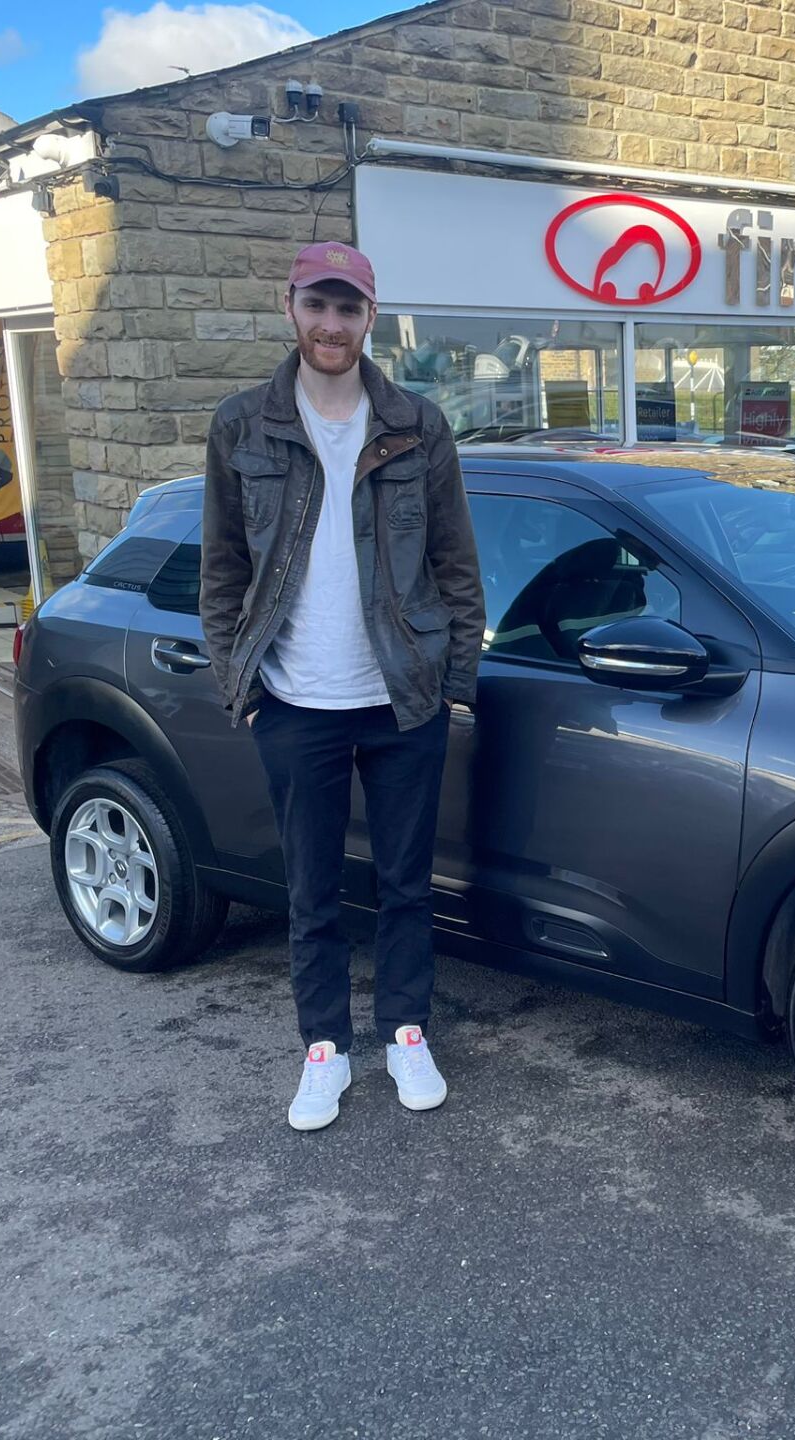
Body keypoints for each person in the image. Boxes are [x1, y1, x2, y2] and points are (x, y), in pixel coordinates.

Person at [199, 241, 484, 1131]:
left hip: (403, 699)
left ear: (369, 316)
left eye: (347, 308)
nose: (331, 325)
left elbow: (455, 562)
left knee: (405, 882)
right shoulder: (243, 426)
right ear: (290, 307)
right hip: (295, 700)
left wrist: (458, 680)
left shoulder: (417, 424)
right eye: (317, 306)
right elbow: (221, 569)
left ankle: (405, 1031)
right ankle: (324, 1048)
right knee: (311, 889)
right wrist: (235, 676)